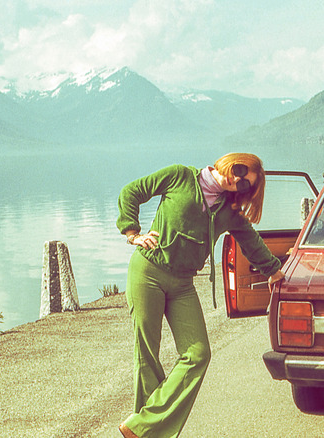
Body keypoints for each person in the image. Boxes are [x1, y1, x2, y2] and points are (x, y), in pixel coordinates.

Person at [116, 152, 285, 438]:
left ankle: (141, 426)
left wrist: (274, 271)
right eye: (240, 170)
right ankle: (148, 433)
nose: (238, 181)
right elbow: (131, 191)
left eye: (245, 184)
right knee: (147, 353)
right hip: (148, 271)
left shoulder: (230, 210)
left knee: (198, 354)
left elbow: (251, 242)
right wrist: (133, 233)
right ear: (231, 161)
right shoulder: (180, 176)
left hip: (183, 284)